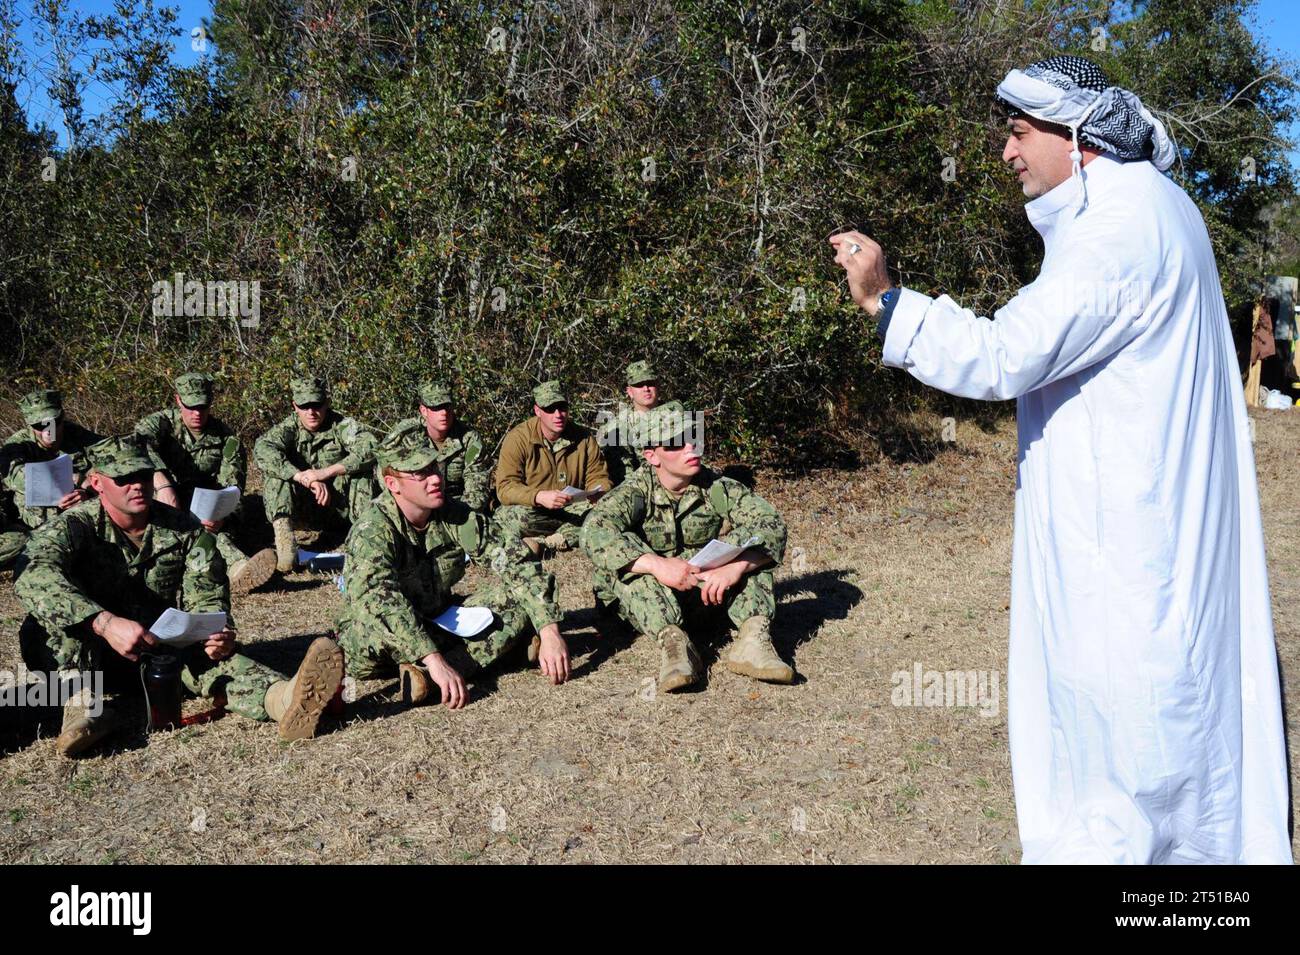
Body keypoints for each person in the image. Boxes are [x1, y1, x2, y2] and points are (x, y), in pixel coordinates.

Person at [830, 55, 1291, 864]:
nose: (1007, 154)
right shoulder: (1156, 210)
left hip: (1126, 551)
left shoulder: (1119, 230)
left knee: (1127, 764)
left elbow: (1006, 352)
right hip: (1145, 535)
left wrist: (884, 299)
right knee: (1168, 751)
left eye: (1017, 133)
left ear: (1078, 139)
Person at [14, 436, 344, 756]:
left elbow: (208, 592)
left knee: (214, 659)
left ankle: (284, 699)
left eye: (143, 475)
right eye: (124, 478)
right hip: (87, 648)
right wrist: (104, 623)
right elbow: (33, 575)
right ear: (97, 483)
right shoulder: (74, 526)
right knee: (53, 632)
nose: (137, 485)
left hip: (155, 645)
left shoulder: (183, 527)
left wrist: (216, 631)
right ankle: (84, 711)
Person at [335, 430, 570, 709]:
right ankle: (468, 659)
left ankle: (431, 675)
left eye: (435, 467)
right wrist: (432, 658)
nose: (436, 479)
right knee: (373, 632)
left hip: (438, 618)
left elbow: (516, 560)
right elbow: (377, 603)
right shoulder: (372, 530)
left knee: (516, 602)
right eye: (420, 474)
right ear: (392, 484)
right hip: (376, 635)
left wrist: (550, 631)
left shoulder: (454, 514)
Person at [580, 404, 792, 693]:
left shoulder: (717, 486)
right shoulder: (635, 492)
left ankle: (752, 641)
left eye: (693, 439)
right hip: (655, 599)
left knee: (752, 554)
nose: (690, 449)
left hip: (706, 592)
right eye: (676, 444)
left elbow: (771, 523)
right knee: (631, 568)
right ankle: (675, 647)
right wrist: (656, 564)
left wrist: (735, 567)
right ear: (651, 455)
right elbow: (594, 532)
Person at [134, 373, 277, 593]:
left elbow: (233, 488)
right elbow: (136, 445)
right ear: (178, 400)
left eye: (202, 406)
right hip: (163, 505)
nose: (197, 413)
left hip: (205, 509)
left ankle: (238, 569)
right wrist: (162, 483)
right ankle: (232, 566)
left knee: (211, 531)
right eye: (190, 406)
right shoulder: (161, 424)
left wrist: (222, 513)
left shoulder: (226, 439)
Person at [253, 376, 378, 572]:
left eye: (317, 405)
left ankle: (366, 536)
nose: (311, 412)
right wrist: (302, 477)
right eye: (305, 406)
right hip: (302, 508)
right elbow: (263, 449)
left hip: (338, 506)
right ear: (295, 406)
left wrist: (324, 473)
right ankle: (286, 542)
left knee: (361, 474)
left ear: (327, 403)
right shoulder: (288, 428)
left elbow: (370, 446)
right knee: (277, 477)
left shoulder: (341, 425)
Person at [493, 380, 610, 558]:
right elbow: (505, 488)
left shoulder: (584, 438)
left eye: (562, 408)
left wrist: (597, 494)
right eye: (550, 409)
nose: (558, 415)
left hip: (570, 508)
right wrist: (538, 496)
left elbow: (598, 475)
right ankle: (575, 533)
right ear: (537, 411)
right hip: (534, 510)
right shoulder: (518, 439)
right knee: (517, 518)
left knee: (606, 512)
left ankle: (549, 542)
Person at [1, 389, 103, 567]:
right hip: (39, 519)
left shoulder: (76, 434)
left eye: (54, 422)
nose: (49, 430)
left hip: (84, 507)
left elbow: (113, 455)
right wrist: (76, 480)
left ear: (63, 417)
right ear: (29, 425)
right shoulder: (17, 445)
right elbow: (16, 476)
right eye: (40, 426)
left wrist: (89, 489)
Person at [385, 378, 491, 511]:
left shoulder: (469, 438)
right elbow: (390, 476)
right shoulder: (406, 434)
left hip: (457, 508)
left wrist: (458, 516)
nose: (444, 413)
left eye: (447, 407)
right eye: (436, 407)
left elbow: (477, 490)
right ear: (424, 410)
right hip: (417, 507)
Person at [596, 360, 666, 486]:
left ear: (658, 386)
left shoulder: (678, 417)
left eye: (650, 383)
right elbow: (621, 475)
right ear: (629, 391)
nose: (646, 389)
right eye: (639, 385)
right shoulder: (616, 427)